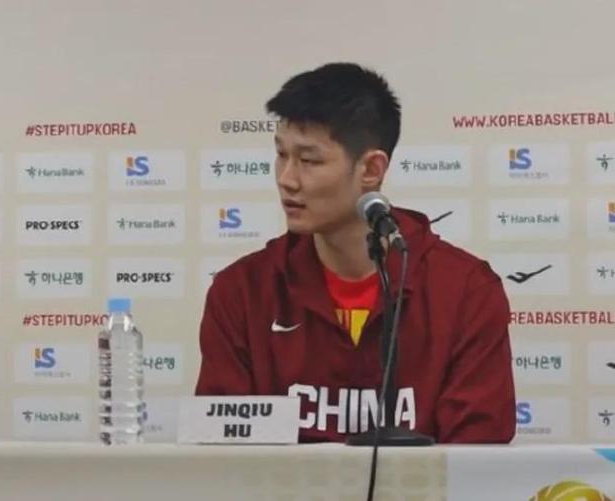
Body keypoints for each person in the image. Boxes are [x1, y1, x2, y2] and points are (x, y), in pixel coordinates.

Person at [195, 62, 515, 443]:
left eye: (308, 161)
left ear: (371, 169)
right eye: (281, 155)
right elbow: (222, 453)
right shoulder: (241, 292)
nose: (286, 179)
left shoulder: (466, 291)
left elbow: (475, 458)